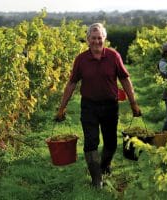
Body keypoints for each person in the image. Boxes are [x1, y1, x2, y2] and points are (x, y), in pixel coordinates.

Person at [55, 23, 141, 188]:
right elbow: (72, 83)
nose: (96, 41)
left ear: (104, 39)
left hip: (110, 105)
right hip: (89, 106)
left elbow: (125, 79)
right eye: (93, 38)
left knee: (111, 142)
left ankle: (104, 165)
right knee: (90, 142)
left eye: (99, 38)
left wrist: (133, 103)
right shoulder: (81, 59)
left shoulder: (113, 56)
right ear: (87, 39)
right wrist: (62, 107)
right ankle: (96, 179)